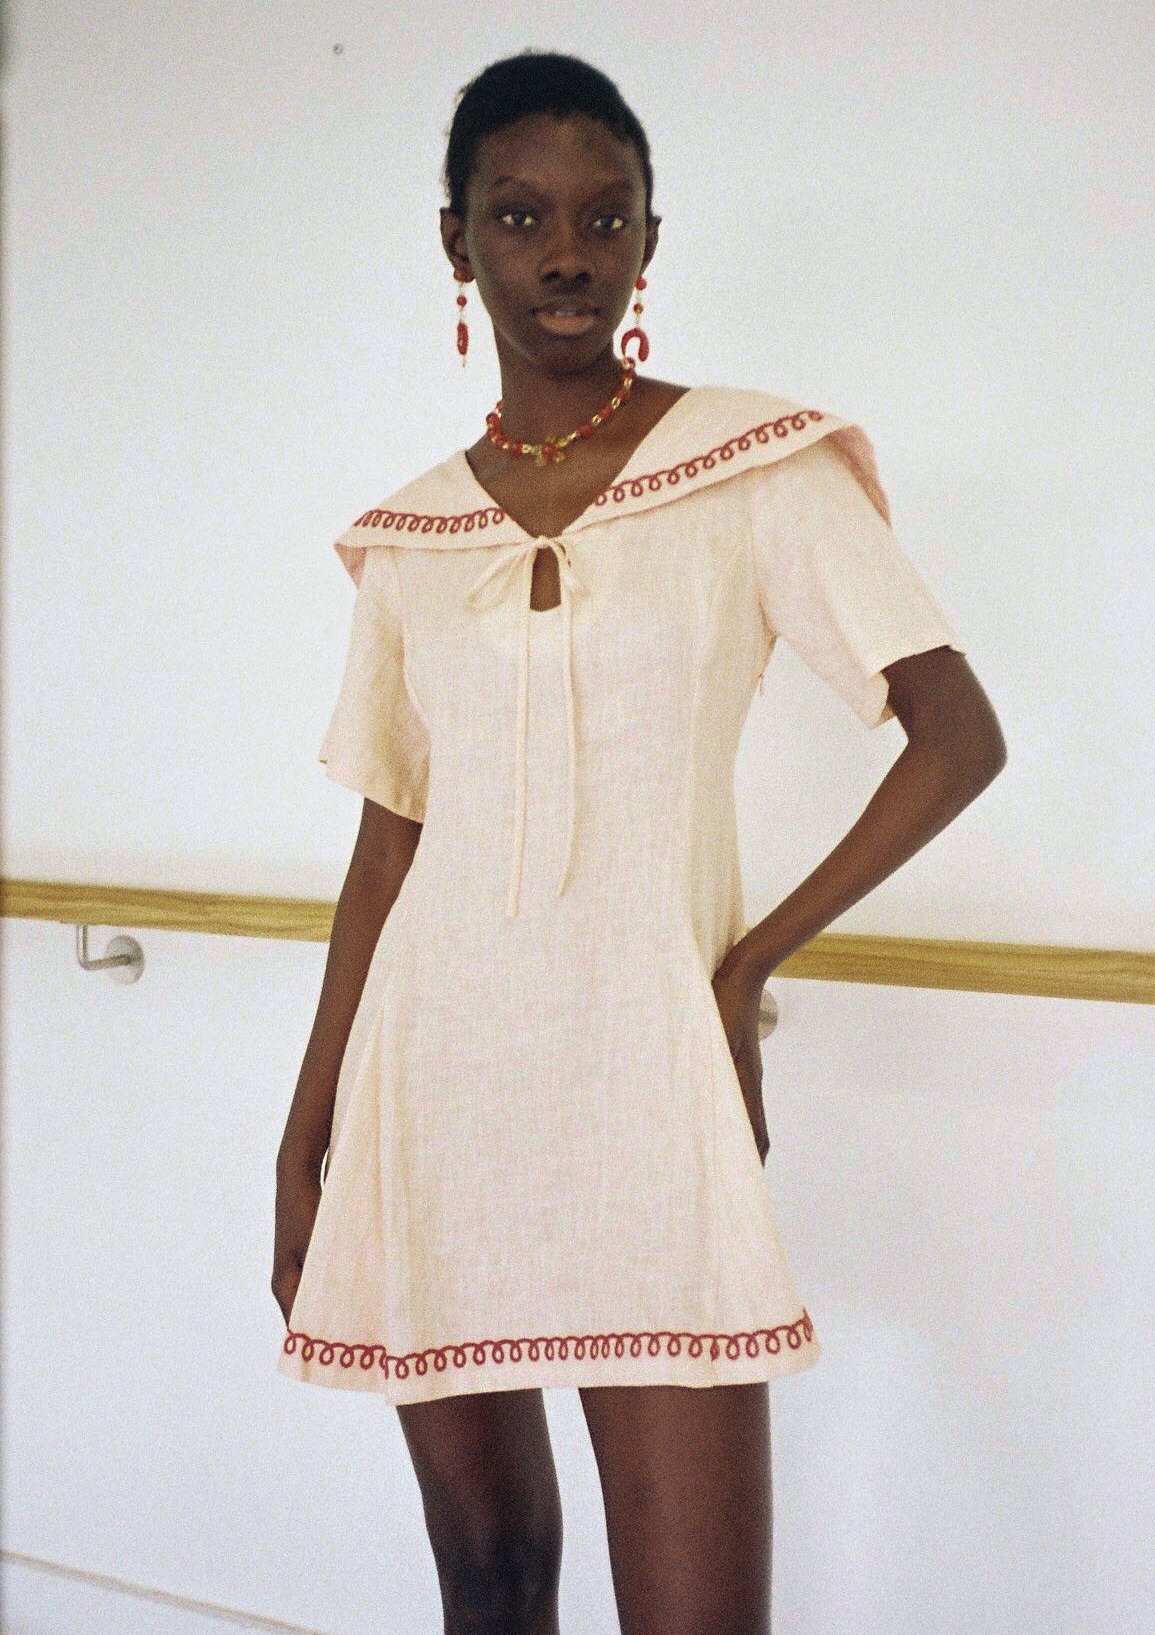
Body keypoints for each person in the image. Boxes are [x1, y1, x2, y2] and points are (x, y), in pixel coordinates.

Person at [272, 48, 1006, 1635]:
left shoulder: (751, 470)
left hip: (646, 1086)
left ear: (649, 244)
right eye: (520, 214)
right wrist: (302, 1135)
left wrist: (740, 972)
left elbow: (958, 738)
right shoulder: (412, 538)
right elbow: (387, 852)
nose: (566, 253)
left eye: (605, 218)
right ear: (457, 240)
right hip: (433, 1087)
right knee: (490, 1578)